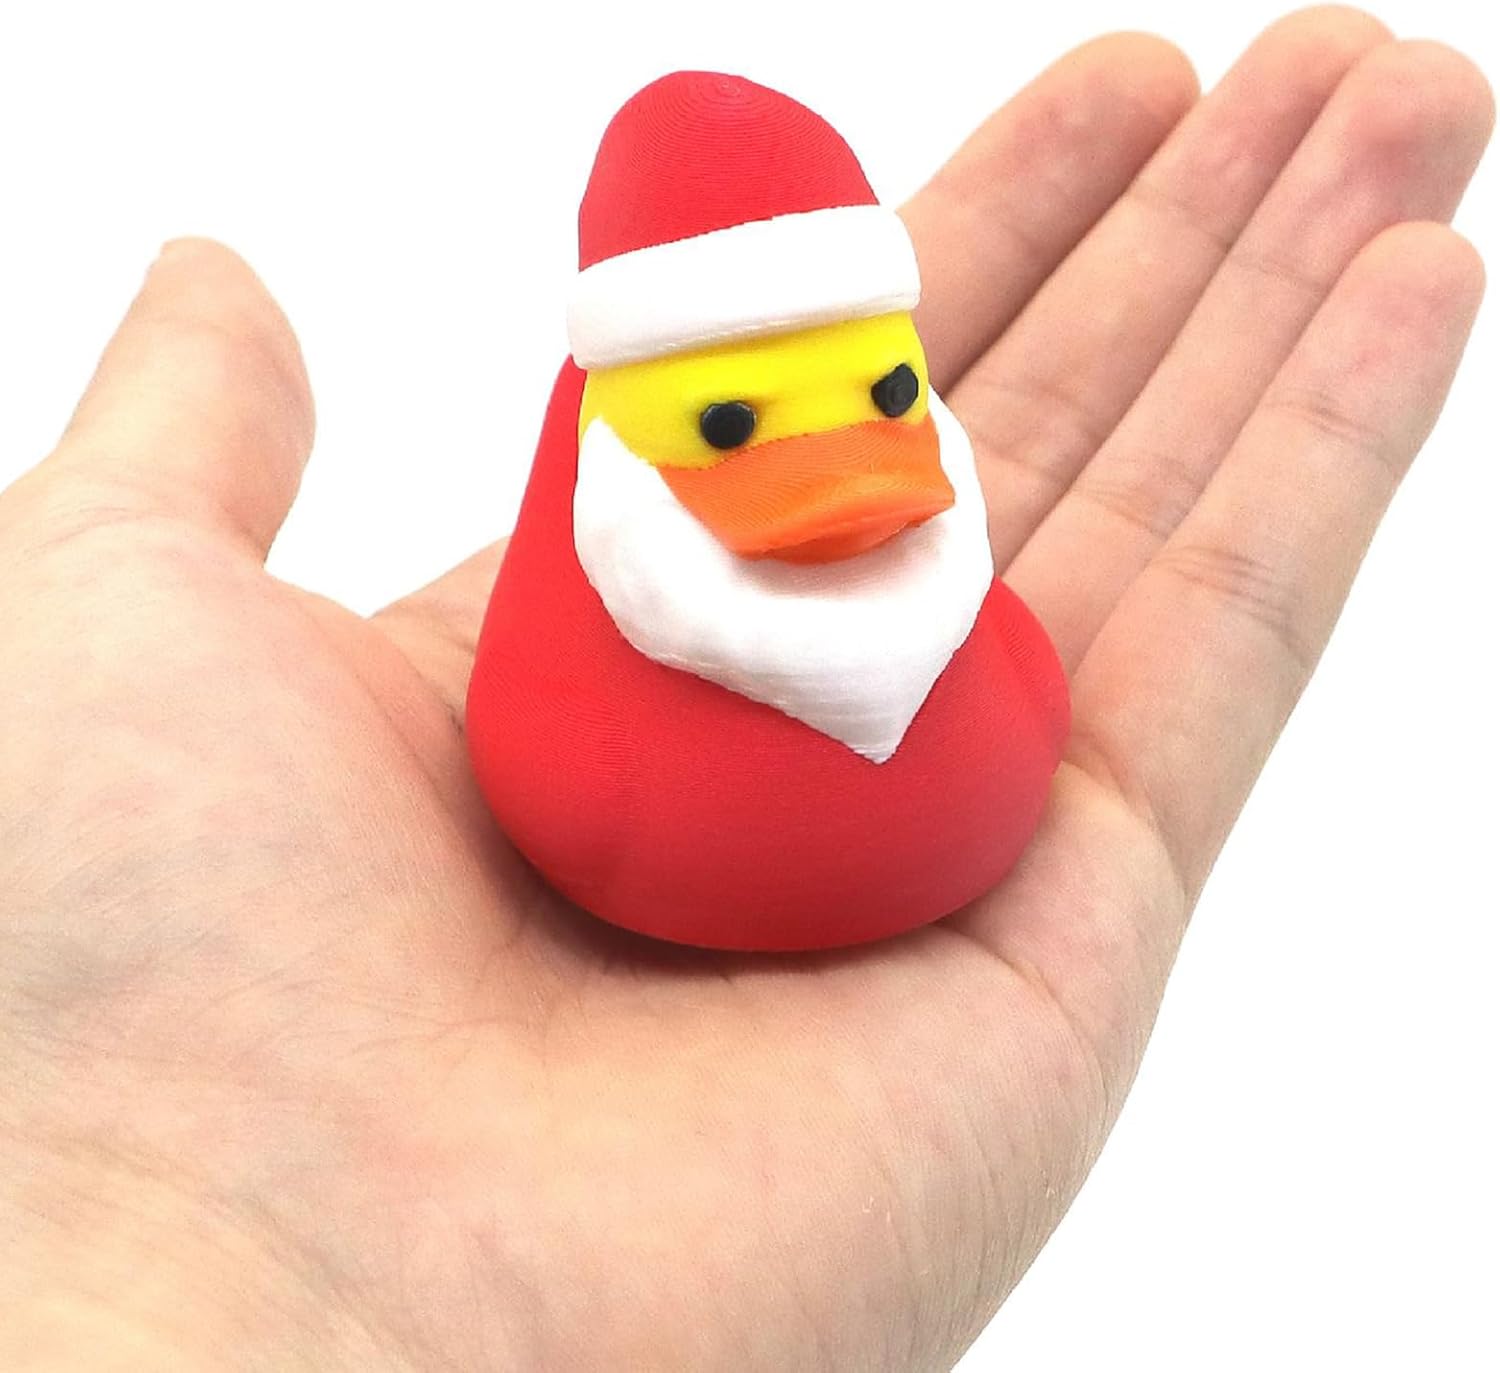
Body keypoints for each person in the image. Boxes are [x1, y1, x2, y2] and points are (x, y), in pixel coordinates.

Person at [0, 8, 1490, 1370]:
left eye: (888, 394)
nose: (842, 472)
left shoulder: (986, 655)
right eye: (728, 423)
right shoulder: (577, 686)